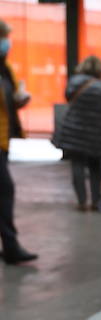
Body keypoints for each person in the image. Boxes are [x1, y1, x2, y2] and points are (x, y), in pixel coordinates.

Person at [56, 55, 101, 211]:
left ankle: (82, 202)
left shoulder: (73, 83)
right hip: (97, 133)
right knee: (95, 166)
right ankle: (96, 201)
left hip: (74, 131)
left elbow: (68, 98)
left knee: (77, 165)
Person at [0, 18, 37, 264]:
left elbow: (9, 99)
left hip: (3, 139)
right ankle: (11, 247)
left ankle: (11, 246)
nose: (6, 44)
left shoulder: (5, 68)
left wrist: (18, 100)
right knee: (5, 190)